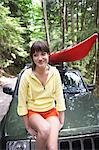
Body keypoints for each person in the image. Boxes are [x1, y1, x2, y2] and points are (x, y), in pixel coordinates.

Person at [17, 41, 66, 150]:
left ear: (48, 54)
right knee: (45, 129)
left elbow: (59, 97)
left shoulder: (55, 73)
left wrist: (61, 120)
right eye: (35, 55)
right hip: (33, 113)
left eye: (43, 54)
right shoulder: (26, 75)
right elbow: (22, 102)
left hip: (51, 112)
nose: (40, 58)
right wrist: (28, 126)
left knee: (52, 147)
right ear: (32, 58)